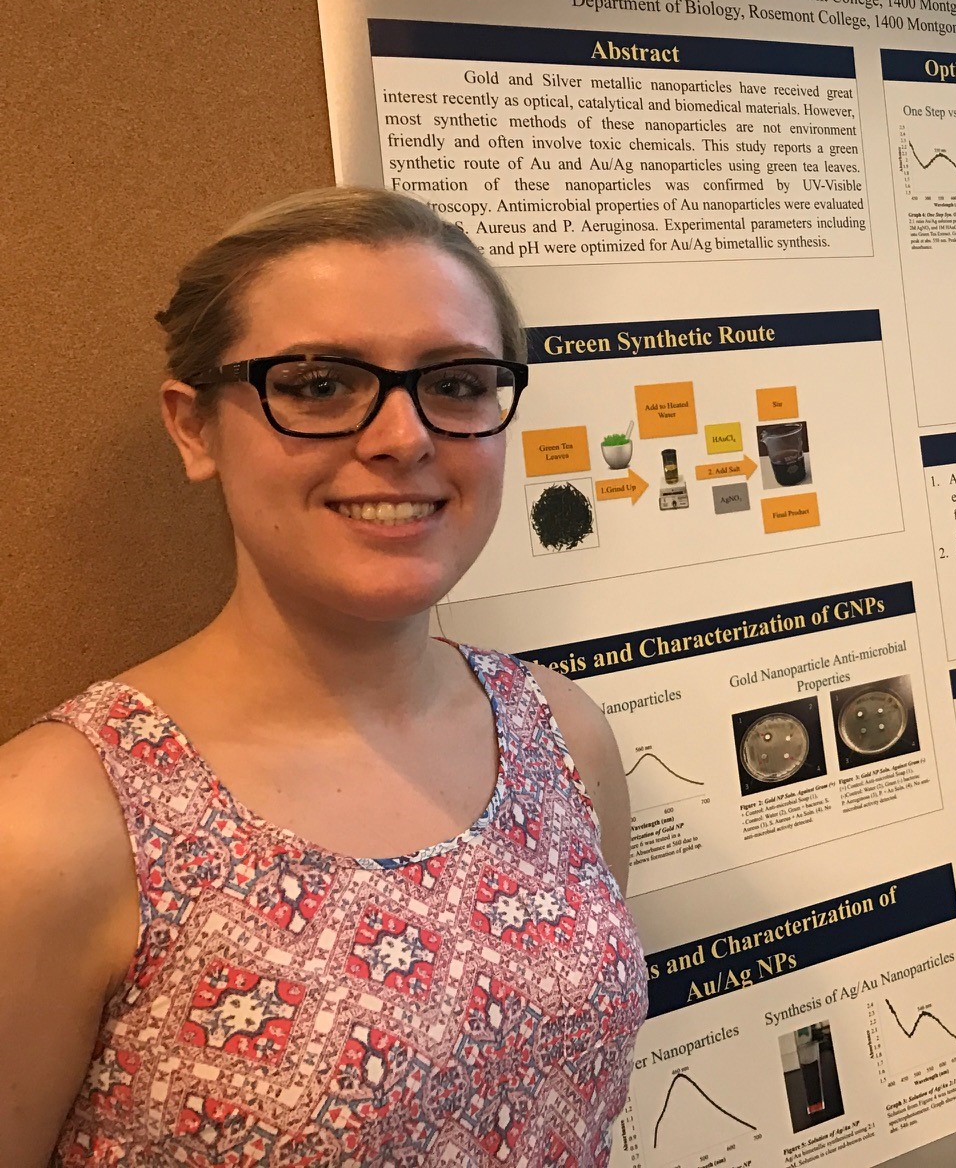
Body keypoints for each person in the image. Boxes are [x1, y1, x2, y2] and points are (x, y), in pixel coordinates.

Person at [0, 189, 647, 1163]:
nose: (401, 438)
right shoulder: (57, 825)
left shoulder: (562, 737)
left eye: (459, 382)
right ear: (194, 429)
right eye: (316, 384)